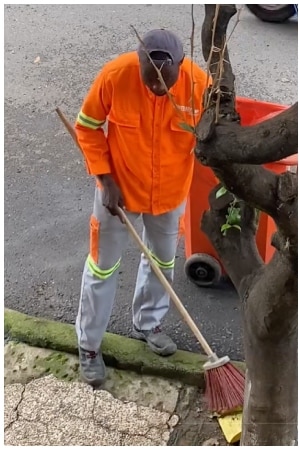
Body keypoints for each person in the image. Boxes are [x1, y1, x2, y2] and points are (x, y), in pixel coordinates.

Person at [74, 29, 210, 387]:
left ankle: (148, 323)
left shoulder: (201, 85)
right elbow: (87, 126)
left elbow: (214, 135)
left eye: (165, 83)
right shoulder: (115, 76)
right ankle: (88, 346)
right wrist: (105, 178)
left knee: (162, 263)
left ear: (181, 66)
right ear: (139, 65)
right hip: (117, 194)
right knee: (102, 269)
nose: (156, 90)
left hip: (169, 195)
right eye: (150, 81)